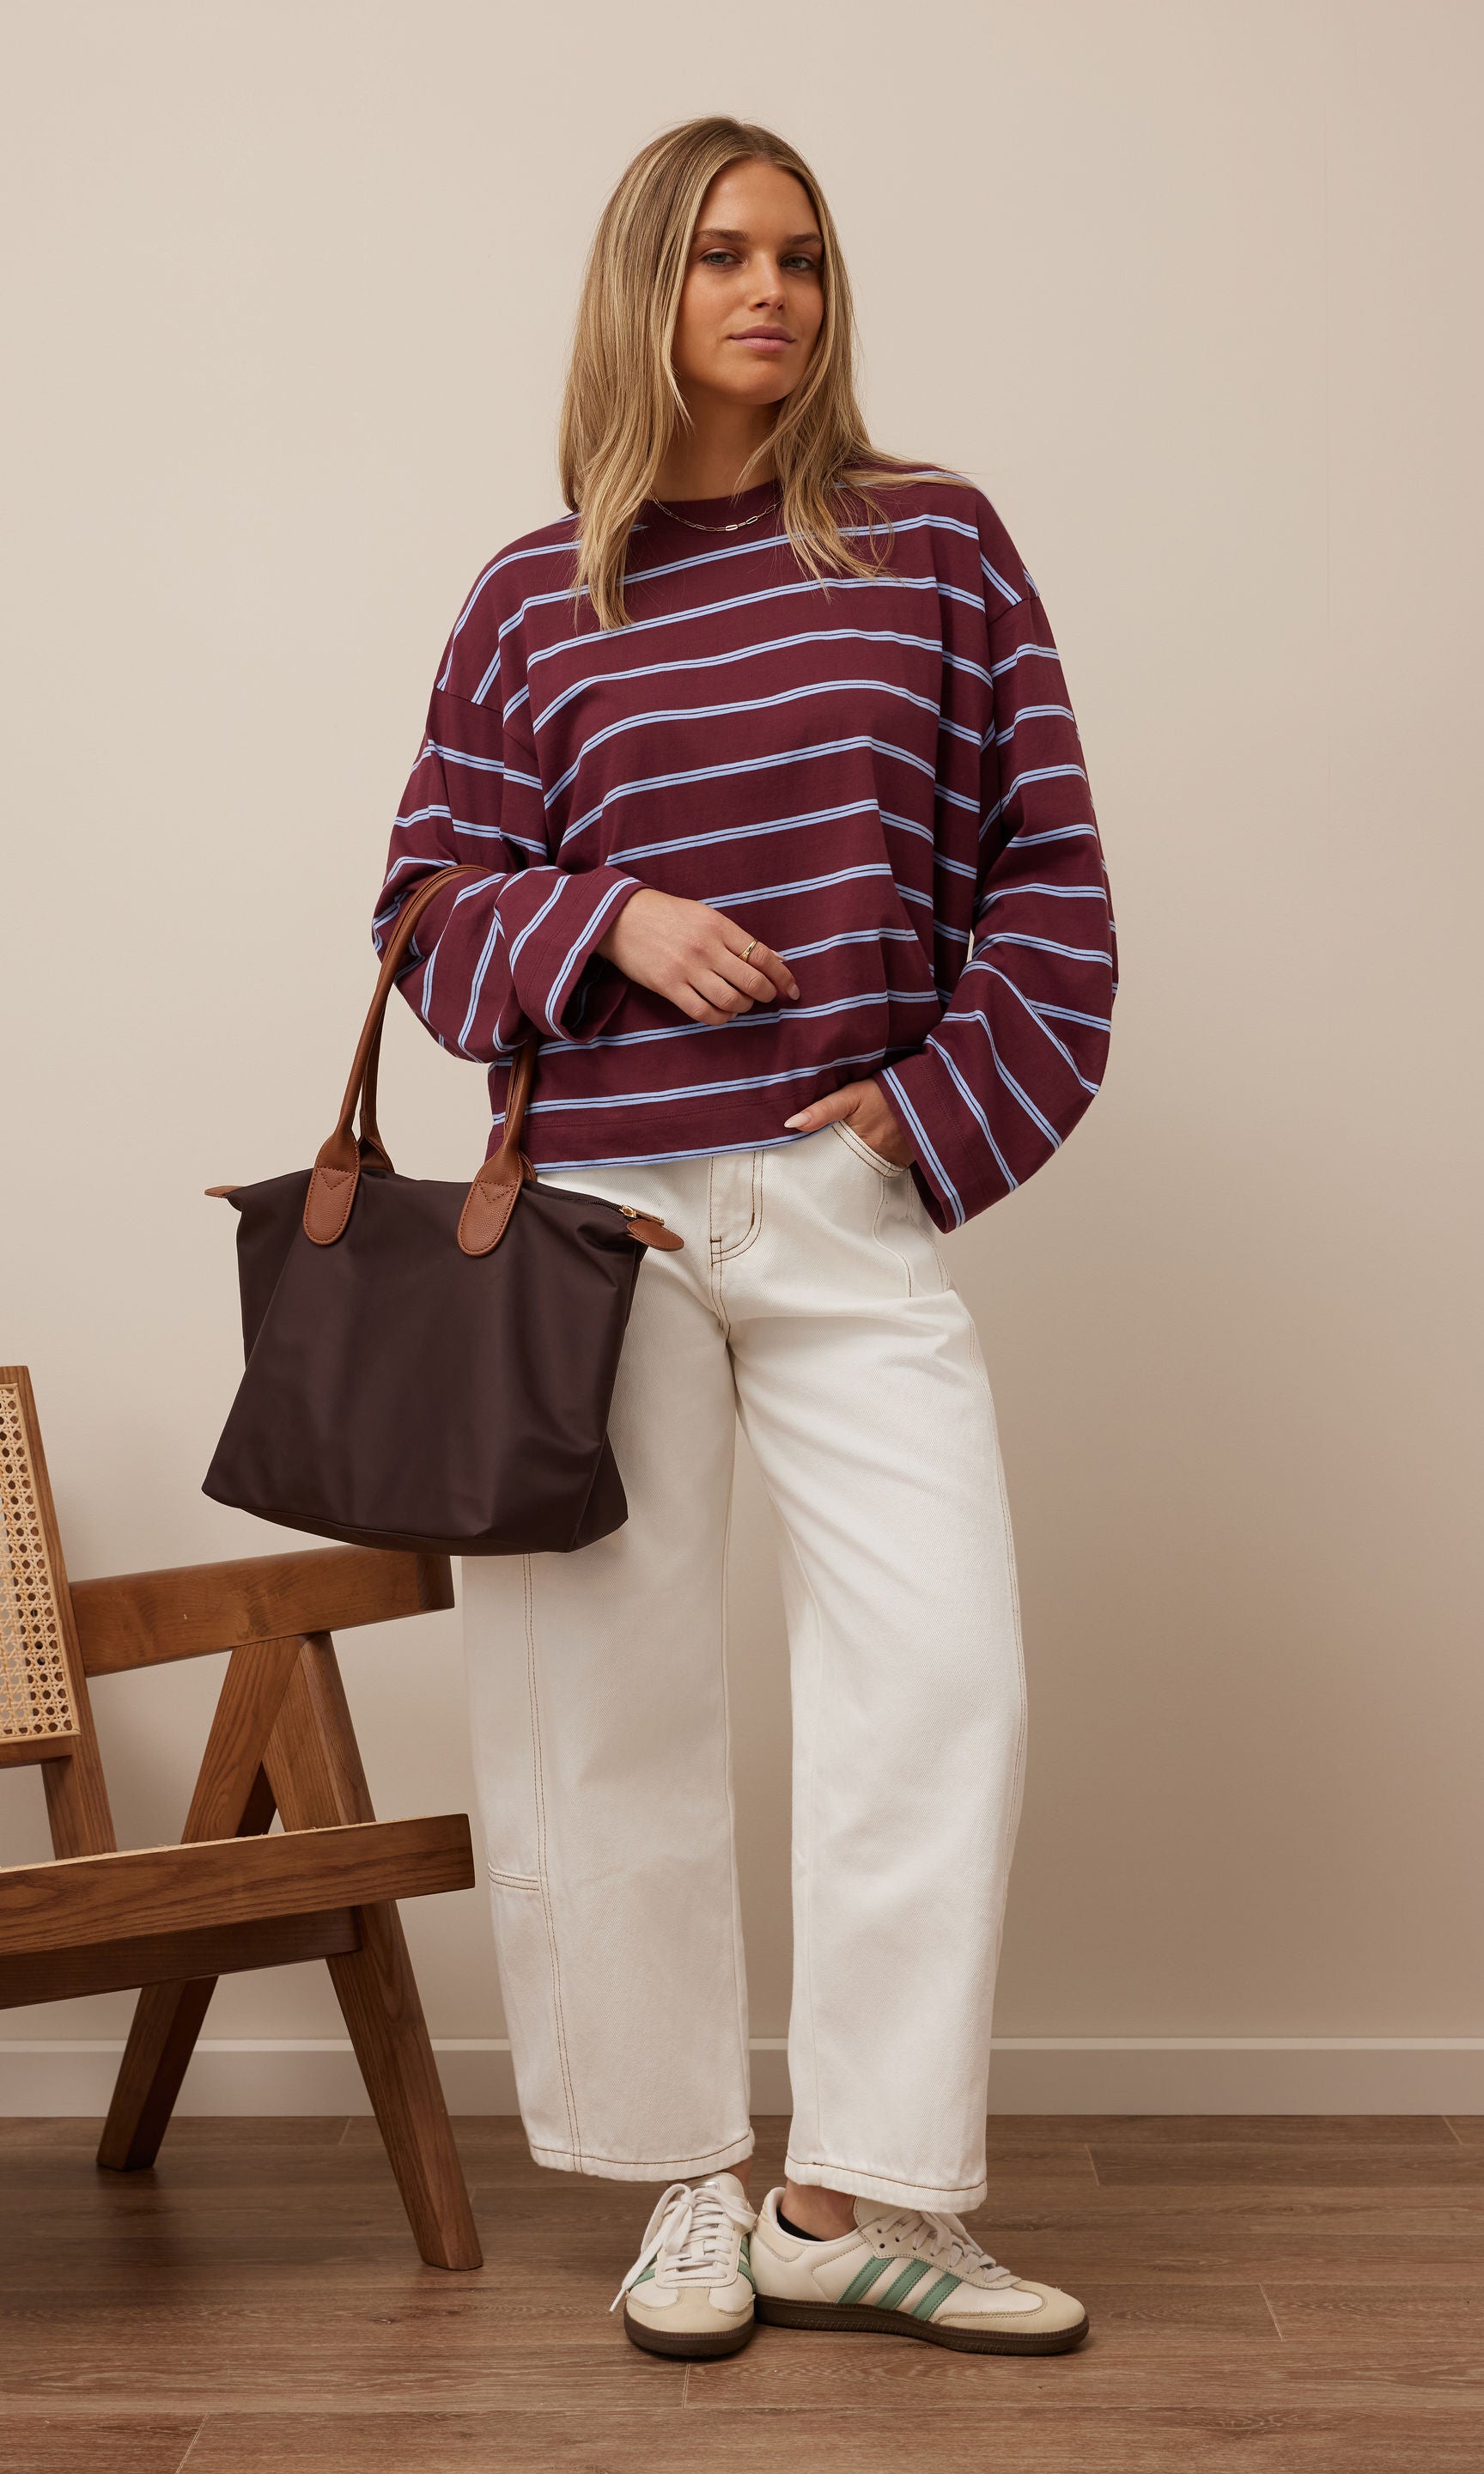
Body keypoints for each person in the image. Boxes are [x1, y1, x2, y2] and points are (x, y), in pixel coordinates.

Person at [374, 115, 1115, 2362]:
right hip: (594, 1227)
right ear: (648, 288)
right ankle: (683, 2185)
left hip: (842, 1201)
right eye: (718, 255)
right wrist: (607, 917)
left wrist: (916, 1111)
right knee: (607, 1705)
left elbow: (1051, 884)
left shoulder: (935, 547)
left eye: (798, 253)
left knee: (941, 1677)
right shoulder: (536, 596)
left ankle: (856, 2193)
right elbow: (422, 915)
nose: (769, 291)